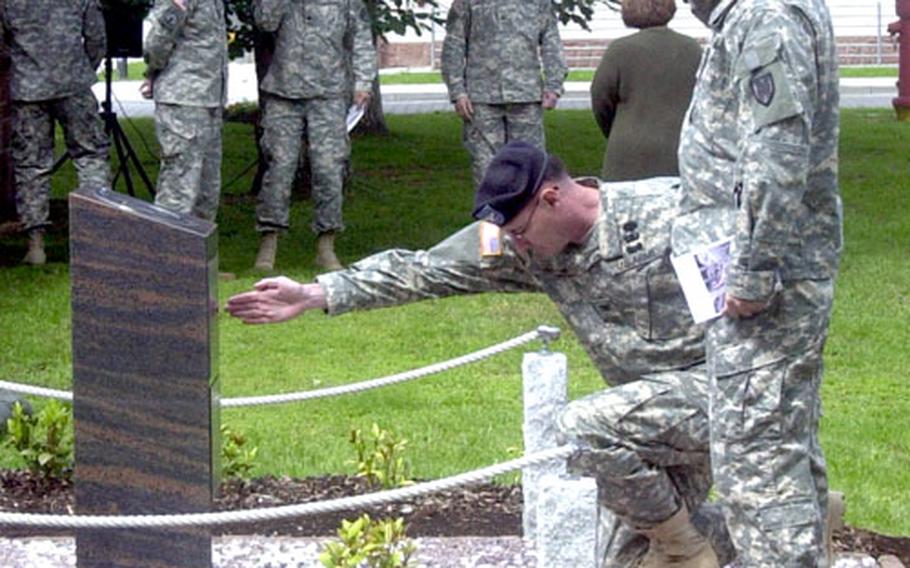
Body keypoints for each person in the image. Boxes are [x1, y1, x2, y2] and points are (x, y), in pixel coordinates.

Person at [227, 141, 737, 567]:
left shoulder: (669, 213)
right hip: (643, 420)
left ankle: (691, 545)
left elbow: (766, 281)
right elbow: (422, 270)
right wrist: (315, 294)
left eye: (518, 232)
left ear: (553, 198)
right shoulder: (527, 246)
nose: (514, 246)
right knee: (624, 561)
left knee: (583, 429)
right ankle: (779, 526)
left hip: (724, 391)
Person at [678, 0, 841, 565]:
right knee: (781, 451)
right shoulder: (751, 14)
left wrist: (750, 270)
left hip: (764, 292)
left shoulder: (764, 13)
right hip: (763, 277)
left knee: (759, 462)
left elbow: (777, 153)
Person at [251, 0, 377, 272]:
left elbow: (362, 38)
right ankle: (269, 242)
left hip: (328, 94)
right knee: (279, 167)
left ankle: (326, 244)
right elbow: (265, 22)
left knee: (329, 168)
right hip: (283, 92)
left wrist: (364, 82)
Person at [0, 0, 110, 265]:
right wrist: (82, 69)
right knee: (90, 156)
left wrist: (24, 65)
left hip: (28, 87)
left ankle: (35, 245)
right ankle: (94, 237)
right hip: (74, 84)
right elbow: (96, 38)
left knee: (31, 165)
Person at [441, 0, 567, 189]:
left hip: (526, 96)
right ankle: (492, 217)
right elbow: (454, 43)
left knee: (531, 170)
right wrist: (457, 90)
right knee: (486, 172)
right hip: (481, 99)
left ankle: (529, 218)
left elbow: (551, 39)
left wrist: (554, 84)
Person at [590, 0, 701, 181]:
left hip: (629, 154)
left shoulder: (619, 50)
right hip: (681, 150)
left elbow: (601, 100)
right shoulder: (693, 49)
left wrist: (618, 127)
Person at [142, 0, 228, 223]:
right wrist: (153, 71)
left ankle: (196, 256)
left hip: (209, 100)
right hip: (183, 101)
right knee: (178, 192)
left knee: (206, 193)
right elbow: (156, 43)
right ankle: (166, 254)